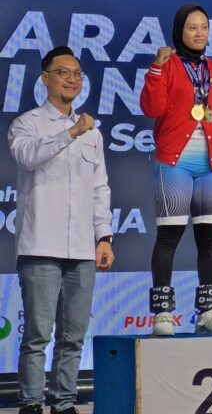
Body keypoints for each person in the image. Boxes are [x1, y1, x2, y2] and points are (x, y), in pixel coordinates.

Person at [8, 46, 114, 414]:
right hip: (40, 246)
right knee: (38, 335)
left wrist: (104, 237)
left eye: (77, 74)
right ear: (45, 78)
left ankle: (64, 401)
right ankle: (31, 402)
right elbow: (29, 157)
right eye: (63, 72)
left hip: (82, 249)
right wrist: (71, 132)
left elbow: (100, 188)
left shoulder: (93, 133)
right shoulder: (27, 124)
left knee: (74, 336)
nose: (72, 79)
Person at [140, 3, 212, 336]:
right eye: (191, 27)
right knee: (168, 238)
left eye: (203, 27)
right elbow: (151, 108)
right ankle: (162, 314)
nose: (199, 33)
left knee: (209, 240)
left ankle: (208, 312)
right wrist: (156, 69)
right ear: (179, 31)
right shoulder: (168, 65)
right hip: (175, 163)